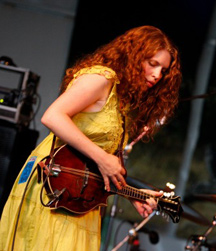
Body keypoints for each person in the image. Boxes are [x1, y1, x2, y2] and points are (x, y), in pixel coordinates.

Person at [0, 25, 182, 250]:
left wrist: (131, 194)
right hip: (52, 188)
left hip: (78, 202)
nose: (157, 75)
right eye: (152, 64)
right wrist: (103, 158)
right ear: (133, 56)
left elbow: (90, 168)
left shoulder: (121, 101)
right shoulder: (102, 78)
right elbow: (53, 116)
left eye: (163, 70)